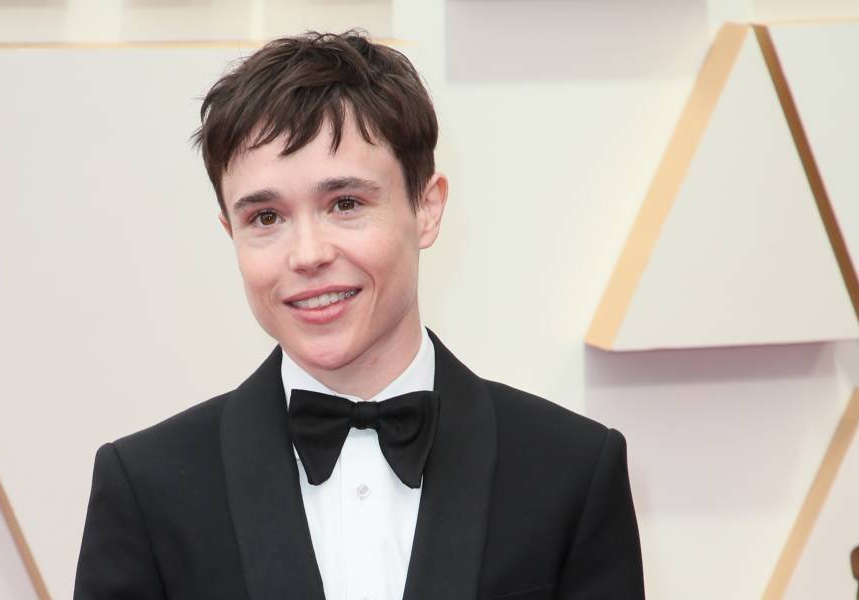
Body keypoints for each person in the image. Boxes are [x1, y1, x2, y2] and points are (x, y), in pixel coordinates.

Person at [74, 30, 644, 600]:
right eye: (266, 217)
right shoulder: (146, 488)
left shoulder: (571, 472)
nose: (308, 255)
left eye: (345, 204)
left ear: (427, 206)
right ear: (230, 231)